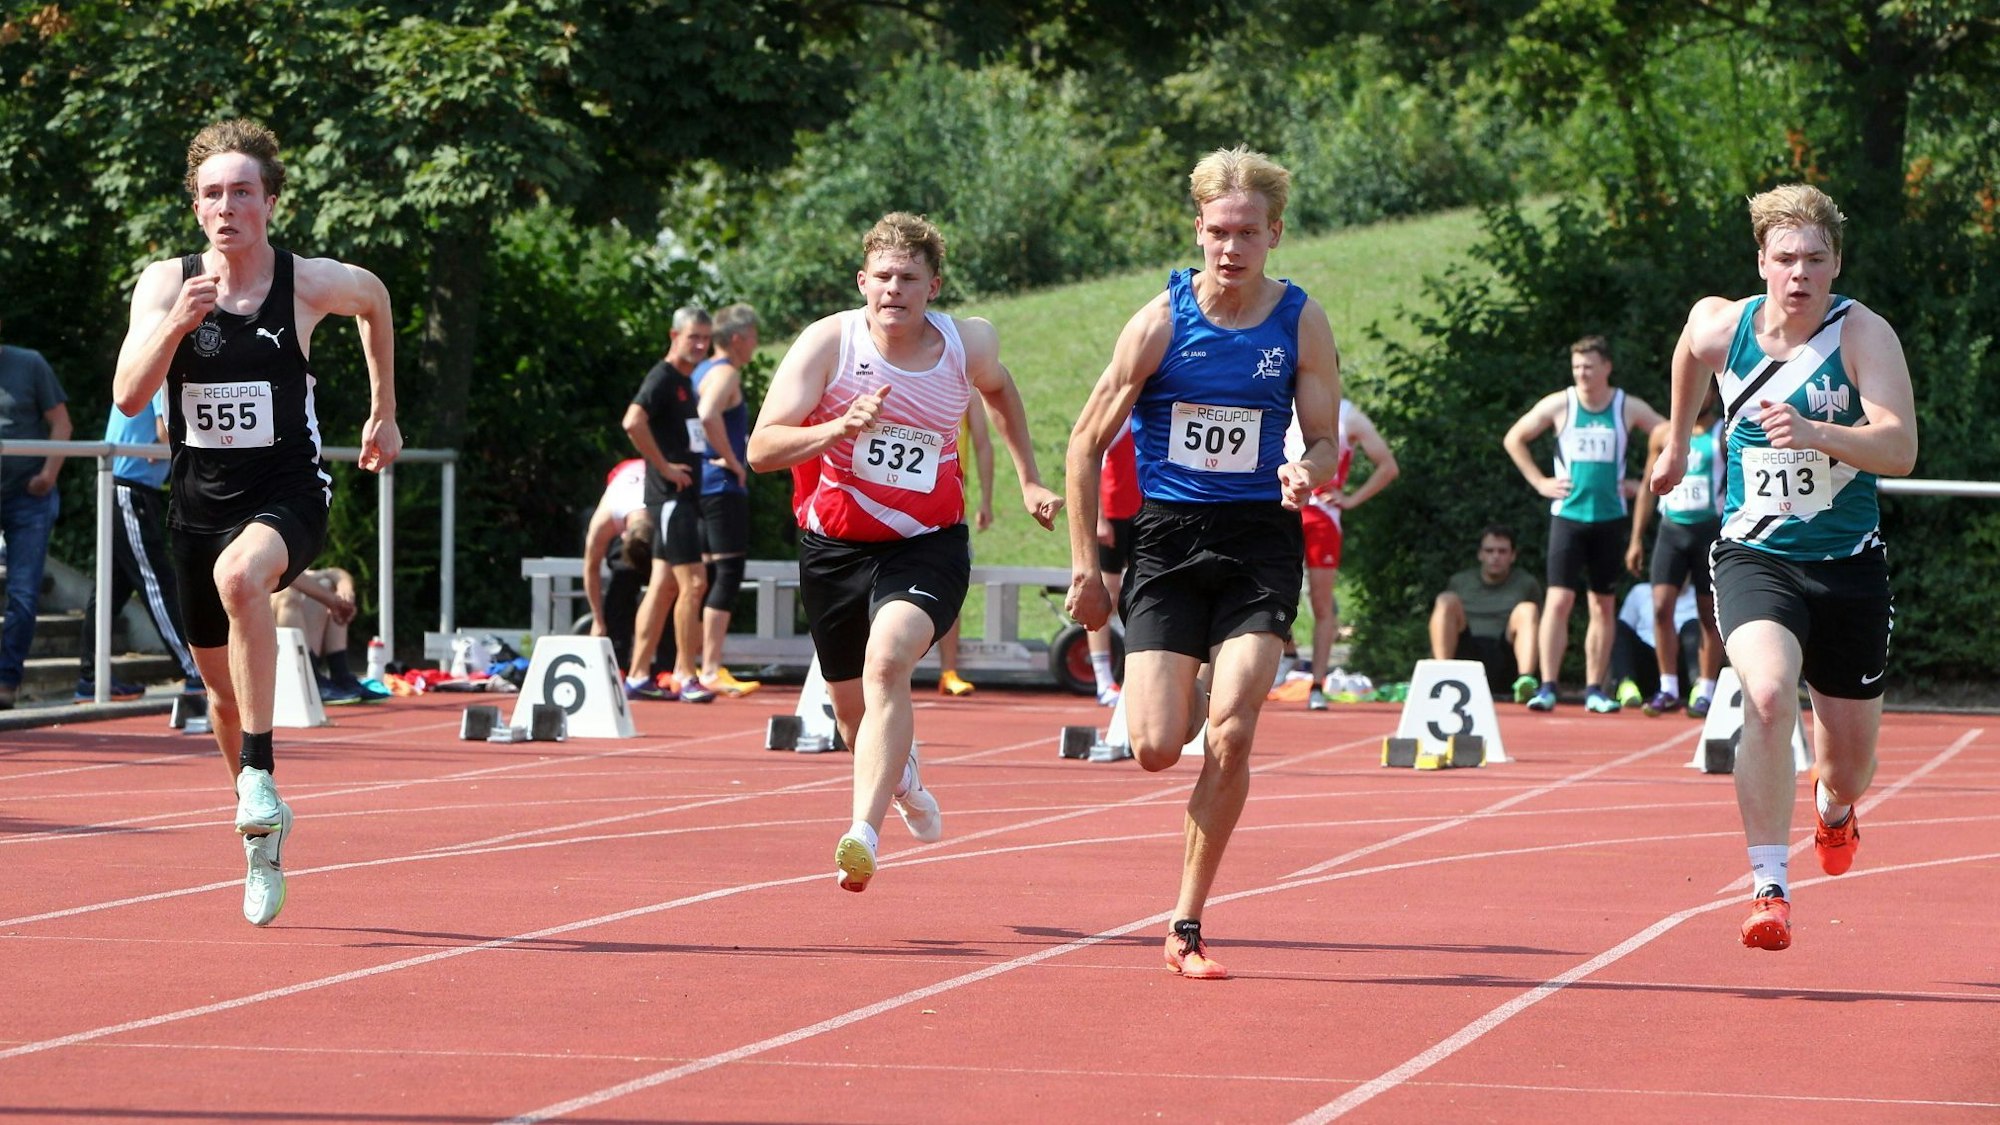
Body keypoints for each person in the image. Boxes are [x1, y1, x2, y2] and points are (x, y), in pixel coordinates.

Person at [111, 119, 400, 925]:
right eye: (213, 194)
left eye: (243, 191)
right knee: (220, 698)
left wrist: (384, 410)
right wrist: (176, 324)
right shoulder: (165, 284)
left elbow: (375, 299)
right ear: (196, 207)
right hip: (198, 505)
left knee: (242, 577)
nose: (227, 206)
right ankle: (259, 833)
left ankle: (264, 773)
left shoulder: (305, 282)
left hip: (289, 490)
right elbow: (129, 395)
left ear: (270, 202)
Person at [1065, 147, 1342, 980]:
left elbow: (1324, 439)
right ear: (1198, 230)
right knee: (1155, 744)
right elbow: (1084, 443)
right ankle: (1191, 683)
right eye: (1219, 231)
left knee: (1233, 730)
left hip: (1258, 539)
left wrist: (1308, 469)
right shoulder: (1159, 322)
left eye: (1248, 232)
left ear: (1274, 234)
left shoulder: (1300, 321)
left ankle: (1186, 921)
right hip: (1169, 540)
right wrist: (1086, 568)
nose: (1232, 247)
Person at [748, 211, 1061, 894]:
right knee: (851, 714)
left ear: (933, 286)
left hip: (927, 545)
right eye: (884, 276)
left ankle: (861, 834)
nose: (895, 289)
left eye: (909, 278)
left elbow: (1001, 390)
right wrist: (838, 427)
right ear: (863, 281)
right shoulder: (828, 343)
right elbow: (762, 448)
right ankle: (905, 779)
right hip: (834, 547)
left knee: (887, 661)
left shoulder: (966, 343)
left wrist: (1029, 477)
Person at [1649, 183, 1916, 952]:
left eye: (1816, 259)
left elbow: (1900, 448)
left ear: (1837, 265)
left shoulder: (1861, 334)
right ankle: (1769, 886)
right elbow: (1688, 349)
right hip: (1755, 556)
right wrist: (1677, 441)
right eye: (1787, 257)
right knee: (1766, 694)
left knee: (1848, 767)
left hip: (1847, 568)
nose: (1801, 273)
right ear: (1762, 261)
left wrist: (1816, 431)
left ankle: (1834, 812)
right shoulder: (1723, 326)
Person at [1503, 336, 1665, 713]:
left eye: (1589, 366)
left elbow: (1670, 434)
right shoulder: (1561, 404)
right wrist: (1539, 482)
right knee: (1559, 600)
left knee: (1602, 605)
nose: (1582, 374)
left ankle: (1594, 688)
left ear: (1607, 367)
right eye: (1576, 367)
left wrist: (1644, 483)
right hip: (1569, 517)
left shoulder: (1626, 406)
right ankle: (1548, 685)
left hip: (1609, 518)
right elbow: (1514, 438)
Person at [75, 389, 203, 702]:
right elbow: (164, 434)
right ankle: (194, 669)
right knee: (156, 581)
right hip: (128, 490)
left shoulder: (149, 374)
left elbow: (161, 438)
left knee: (110, 589)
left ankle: (90, 677)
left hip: (121, 485)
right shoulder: (161, 377)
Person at [620, 305, 711, 703]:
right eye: (693, 337)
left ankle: (638, 674)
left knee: (662, 586)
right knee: (695, 583)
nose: (701, 345)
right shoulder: (662, 377)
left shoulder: (685, 382)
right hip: (672, 499)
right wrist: (665, 468)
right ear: (675, 337)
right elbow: (632, 421)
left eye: (706, 338)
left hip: (680, 498)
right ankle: (686, 674)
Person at [1291, 400, 1398, 710]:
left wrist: (1350, 499)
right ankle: (1287, 655)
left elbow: (1388, 466)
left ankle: (1317, 684)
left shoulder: (1348, 415)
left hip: (1322, 516)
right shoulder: (1281, 397)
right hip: (1283, 508)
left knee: (1322, 602)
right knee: (1266, 589)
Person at [1626, 393, 1726, 717]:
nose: (1699, 396)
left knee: (1709, 614)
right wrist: (1636, 539)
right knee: (1660, 608)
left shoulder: (1724, 433)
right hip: (1672, 530)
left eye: (1705, 391)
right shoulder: (1662, 434)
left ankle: (1706, 689)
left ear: (1714, 394)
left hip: (1708, 531)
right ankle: (1668, 688)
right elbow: (1647, 486)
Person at [688, 302, 763, 697]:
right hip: (720, 485)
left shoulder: (698, 370)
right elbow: (707, 413)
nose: (756, 345)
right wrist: (733, 460)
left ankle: (690, 664)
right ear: (737, 339)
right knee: (727, 572)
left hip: (698, 483)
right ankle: (711, 667)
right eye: (753, 338)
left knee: (701, 576)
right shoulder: (726, 372)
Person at [0, 315, 71, 710]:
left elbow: (62, 424)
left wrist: (48, 474)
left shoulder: (29, 363)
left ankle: (7, 681)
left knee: (23, 592)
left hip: (28, 496)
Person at [1428, 525, 1542, 701]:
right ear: (1480, 554)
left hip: (1506, 653)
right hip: (1467, 649)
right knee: (1446, 600)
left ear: (1512, 556)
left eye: (1502, 551)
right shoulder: (1460, 581)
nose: (1495, 556)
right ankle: (1442, 676)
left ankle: (1525, 680)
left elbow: (1538, 627)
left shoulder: (1527, 583)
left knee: (1528, 609)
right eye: (1489, 551)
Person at [935, 399, 995, 697]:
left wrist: (986, 500)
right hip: (893, 499)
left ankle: (949, 671)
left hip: (949, 504)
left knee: (950, 587)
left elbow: (982, 444)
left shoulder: (966, 387)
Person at [580, 457, 654, 672]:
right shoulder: (605, 519)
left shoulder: (662, 513)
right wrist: (598, 620)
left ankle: (665, 665)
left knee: (665, 586)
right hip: (624, 472)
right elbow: (591, 568)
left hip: (656, 480)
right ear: (623, 535)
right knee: (623, 578)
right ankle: (617, 661)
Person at [271, 566, 385, 703]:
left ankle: (341, 675)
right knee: (286, 595)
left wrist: (344, 590)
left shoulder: (290, 563)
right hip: (268, 652)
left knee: (327, 585)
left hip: (303, 652)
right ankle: (310, 680)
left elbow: (334, 573)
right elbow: (286, 575)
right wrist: (333, 601)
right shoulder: (269, 561)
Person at [1087, 417, 1140, 706]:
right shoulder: (1116, 416)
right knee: (1107, 595)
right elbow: (1090, 461)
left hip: (1145, 513)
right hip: (1113, 516)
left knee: (1141, 595)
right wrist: (1100, 518)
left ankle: (1137, 678)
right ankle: (1103, 680)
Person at [1608, 580, 1700, 708]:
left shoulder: (1699, 596)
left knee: (1694, 627)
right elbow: (1622, 634)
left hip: (1682, 668)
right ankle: (1626, 685)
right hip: (1646, 665)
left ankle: (1699, 687)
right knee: (1617, 627)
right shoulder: (1639, 592)